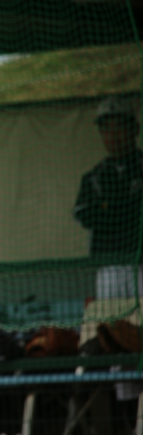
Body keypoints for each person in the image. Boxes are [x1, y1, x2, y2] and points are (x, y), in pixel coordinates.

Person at [73, 96, 143, 299]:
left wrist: (109, 208)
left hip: (140, 263)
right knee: (111, 317)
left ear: (134, 129)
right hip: (108, 266)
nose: (114, 136)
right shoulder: (94, 176)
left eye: (120, 127)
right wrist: (124, 207)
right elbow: (84, 215)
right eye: (106, 130)